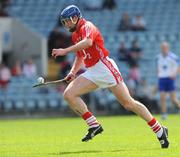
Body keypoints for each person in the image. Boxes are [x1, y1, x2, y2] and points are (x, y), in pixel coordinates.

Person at [52, 5, 169, 148]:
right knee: (69, 94)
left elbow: (88, 42)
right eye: (64, 22)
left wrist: (64, 51)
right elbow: (80, 55)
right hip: (93, 71)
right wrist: (72, 72)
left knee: (128, 104)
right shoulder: (75, 35)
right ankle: (94, 125)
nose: (66, 24)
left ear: (75, 18)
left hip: (105, 68)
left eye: (67, 21)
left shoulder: (87, 26)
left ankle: (159, 129)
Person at [157, 42, 180, 120]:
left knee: (173, 99)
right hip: (162, 79)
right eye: (162, 47)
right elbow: (158, 67)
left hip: (170, 79)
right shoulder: (158, 57)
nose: (163, 49)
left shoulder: (173, 57)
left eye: (165, 47)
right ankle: (164, 114)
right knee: (162, 97)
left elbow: (178, 67)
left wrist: (174, 74)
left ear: (168, 48)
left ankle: (178, 106)